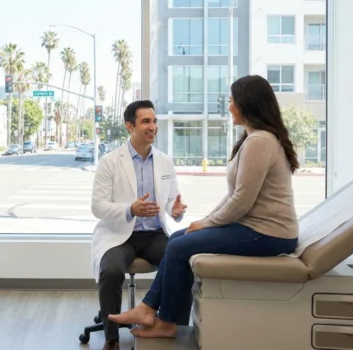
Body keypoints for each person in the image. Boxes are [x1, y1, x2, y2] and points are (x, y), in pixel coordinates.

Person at [108, 75, 301, 339]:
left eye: (232, 100)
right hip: (258, 229)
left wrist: (206, 224)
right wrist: (203, 222)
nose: (229, 105)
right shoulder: (254, 139)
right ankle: (149, 309)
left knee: (177, 245)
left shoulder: (260, 142)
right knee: (179, 237)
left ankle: (164, 321)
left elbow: (241, 201)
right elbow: (236, 195)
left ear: (246, 104)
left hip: (269, 234)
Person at [90, 100, 189, 350]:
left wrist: (174, 211)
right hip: (119, 235)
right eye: (146, 121)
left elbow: (169, 202)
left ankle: (173, 324)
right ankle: (112, 337)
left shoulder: (165, 161)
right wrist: (129, 209)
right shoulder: (110, 161)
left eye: (154, 121)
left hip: (154, 234)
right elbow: (97, 206)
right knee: (111, 270)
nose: (152, 126)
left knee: (182, 260)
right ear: (129, 126)